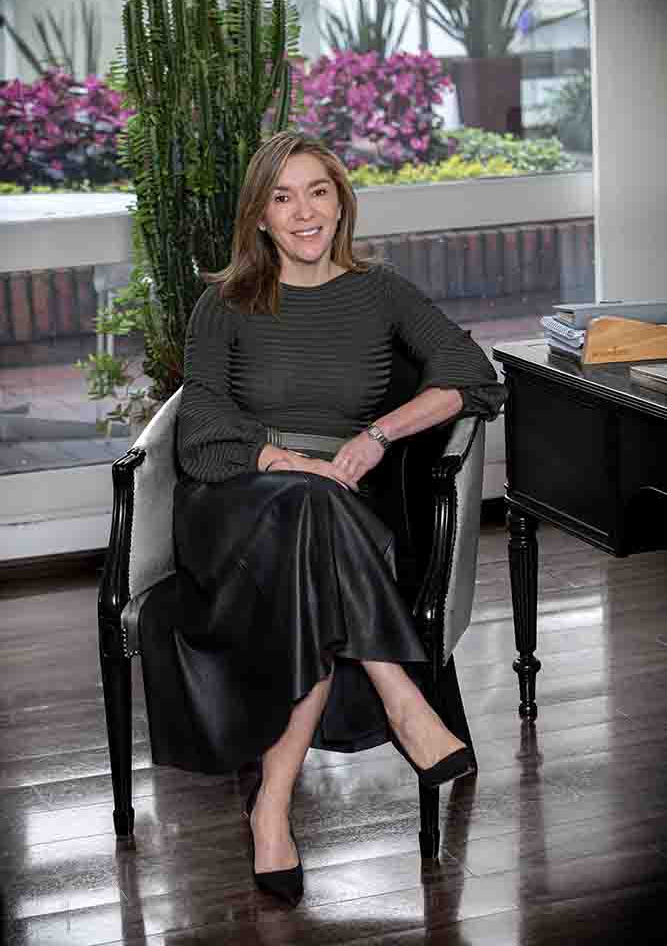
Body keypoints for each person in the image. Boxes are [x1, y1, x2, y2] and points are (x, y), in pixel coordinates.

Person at [140, 131, 507, 906]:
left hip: (331, 501)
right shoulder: (224, 302)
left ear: (340, 202)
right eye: (282, 197)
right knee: (312, 512)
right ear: (259, 216)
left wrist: (377, 436)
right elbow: (201, 425)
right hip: (235, 499)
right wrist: (286, 460)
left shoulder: (380, 291)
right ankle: (403, 699)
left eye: (317, 191)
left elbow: (471, 375)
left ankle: (270, 809)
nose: (303, 211)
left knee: (313, 546)